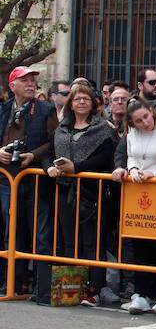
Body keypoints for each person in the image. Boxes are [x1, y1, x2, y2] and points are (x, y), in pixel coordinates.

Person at [46, 82, 117, 307]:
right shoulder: (62, 129)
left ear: (94, 103)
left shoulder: (103, 129)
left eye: (86, 98)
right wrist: (50, 167)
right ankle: (71, 288)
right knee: (69, 241)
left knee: (92, 243)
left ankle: (94, 290)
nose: (82, 102)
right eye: (77, 99)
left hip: (93, 193)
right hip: (66, 191)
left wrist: (76, 167)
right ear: (71, 104)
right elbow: (48, 152)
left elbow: (105, 158)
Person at [110, 97, 156, 316]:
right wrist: (134, 169)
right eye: (138, 121)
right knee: (139, 245)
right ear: (132, 123)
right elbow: (131, 156)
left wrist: (153, 174)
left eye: (146, 117)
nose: (145, 123)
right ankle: (142, 294)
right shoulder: (132, 134)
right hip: (138, 193)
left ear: (151, 111)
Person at [0, 65, 57, 300]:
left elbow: (55, 141)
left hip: (34, 178)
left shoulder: (45, 109)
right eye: (25, 80)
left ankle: (40, 288)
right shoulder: (3, 110)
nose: (31, 83)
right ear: (13, 86)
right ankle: (11, 282)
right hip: (6, 179)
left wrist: (33, 156)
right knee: (10, 231)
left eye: (33, 79)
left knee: (40, 234)